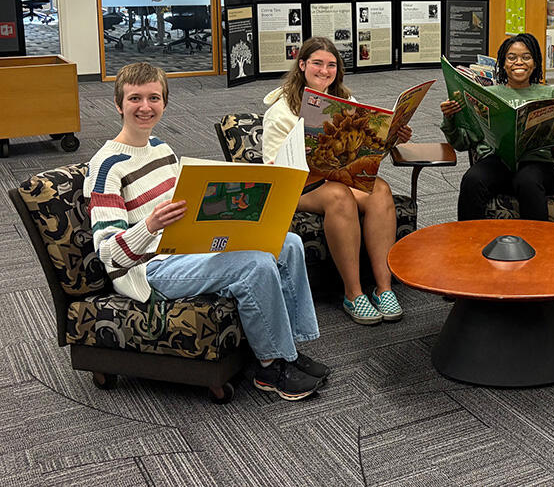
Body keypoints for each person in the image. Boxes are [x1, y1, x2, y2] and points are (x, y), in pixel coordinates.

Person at [84, 62, 327, 401]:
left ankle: (291, 350)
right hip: (148, 268)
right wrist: (150, 225)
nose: (145, 107)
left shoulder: (162, 149)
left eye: (154, 98)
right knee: (252, 263)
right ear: (118, 104)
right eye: (135, 98)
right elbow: (108, 253)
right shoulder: (106, 166)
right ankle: (271, 368)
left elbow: (187, 212)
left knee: (287, 243)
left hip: (183, 247)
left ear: (164, 103)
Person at [262, 37, 411, 326]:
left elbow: (363, 149)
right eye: (317, 63)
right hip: (299, 186)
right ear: (302, 65)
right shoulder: (279, 111)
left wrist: (391, 137)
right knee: (339, 196)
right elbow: (273, 170)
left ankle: (384, 288)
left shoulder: (345, 101)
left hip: (337, 176)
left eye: (331, 65)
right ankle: (353, 293)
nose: (324, 70)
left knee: (380, 190)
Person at [440, 32, 554, 222]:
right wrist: (450, 118)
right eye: (512, 58)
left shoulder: (550, 93)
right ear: (503, 64)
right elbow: (462, 143)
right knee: (472, 180)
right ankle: (468, 244)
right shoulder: (487, 95)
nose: (519, 62)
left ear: (536, 62)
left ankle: (537, 246)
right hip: (497, 160)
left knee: (527, 181)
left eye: (526, 57)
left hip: (539, 163)